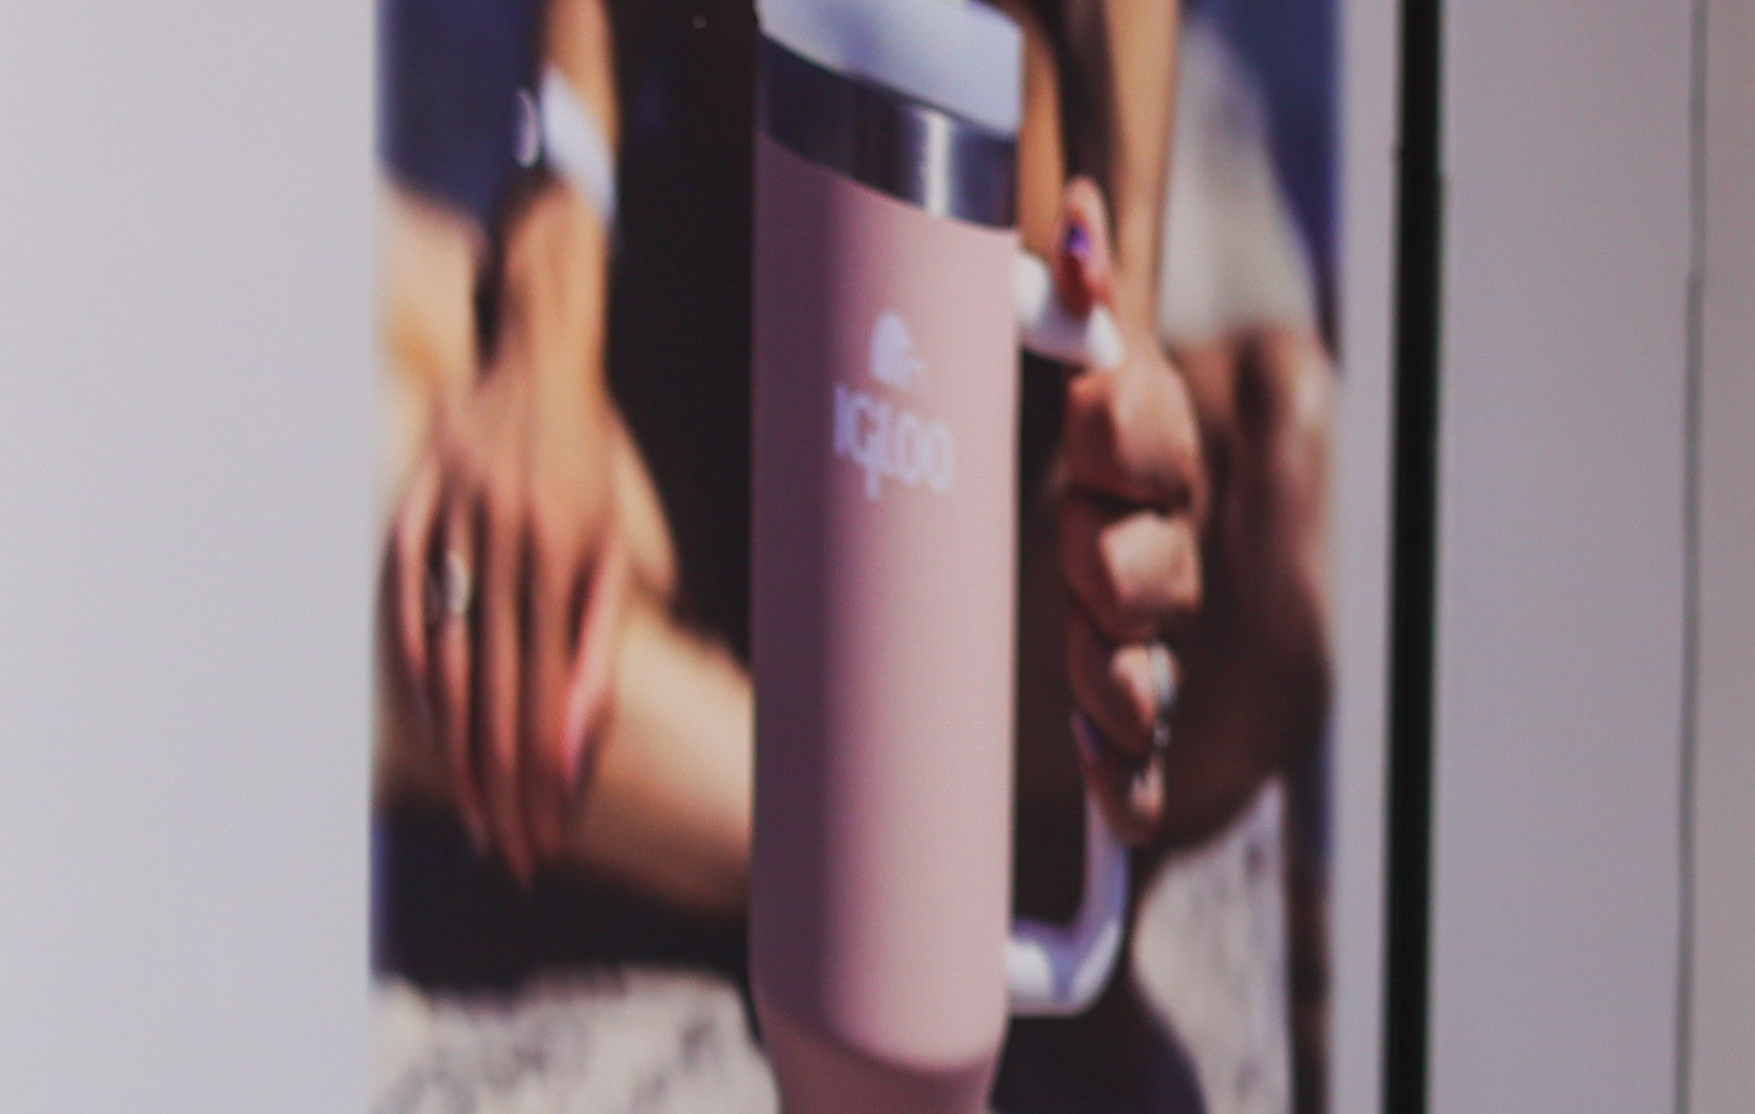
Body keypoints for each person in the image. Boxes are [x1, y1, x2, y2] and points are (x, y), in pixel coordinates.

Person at [374, 0, 1332, 931]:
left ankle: (815, 837)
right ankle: (893, 865)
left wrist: (1122, 429)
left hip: (977, 518)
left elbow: (1119, 350)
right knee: (317, 353)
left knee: (1303, 500)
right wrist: (545, 337)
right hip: (702, 355)